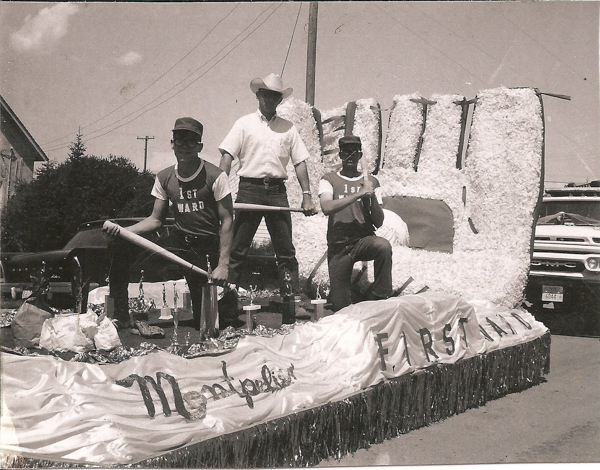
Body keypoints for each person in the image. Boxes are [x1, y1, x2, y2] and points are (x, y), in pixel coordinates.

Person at [104, 117, 237, 329]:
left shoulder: (215, 176)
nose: (184, 145)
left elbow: (227, 220)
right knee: (119, 246)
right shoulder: (164, 177)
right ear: (172, 143)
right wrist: (123, 232)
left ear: (200, 146)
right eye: (179, 139)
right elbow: (155, 220)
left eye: (191, 141)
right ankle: (119, 315)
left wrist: (223, 265)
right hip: (177, 242)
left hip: (204, 246)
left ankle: (228, 301)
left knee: (204, 323)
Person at [219, 73, 316, 298]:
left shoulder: (289, 128)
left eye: (274, 96)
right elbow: (227, 157)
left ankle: (290, 303)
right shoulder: (243, 123)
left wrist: (307, 194)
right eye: (265, 94)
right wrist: (220, 190)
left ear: (279, 100)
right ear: (258, 95)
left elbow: (300, 162)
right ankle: (227, 303)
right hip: (248, 190)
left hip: (276, 192)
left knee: (285, 251)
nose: (269, 99)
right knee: (237, 249)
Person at [318, 135, 392, 312]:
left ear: (359, 155)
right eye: (345, 153)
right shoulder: (328, 179)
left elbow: (379, 221)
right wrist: (359, 194)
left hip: (363, 241)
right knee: (340, 308)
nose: (350, 157)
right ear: (340, 156)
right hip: (339, 246)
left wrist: (371, 195)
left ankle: (380, 298)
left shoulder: (371, 182)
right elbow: (327, 207)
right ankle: (345, 297)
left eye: (354, 153)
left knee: (383, 246)